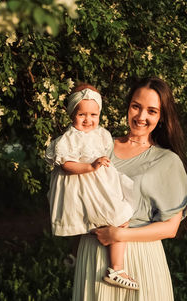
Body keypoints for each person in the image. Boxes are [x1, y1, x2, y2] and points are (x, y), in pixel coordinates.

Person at [72, 77, 187, 301]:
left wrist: (119, 233)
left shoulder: (167, 160)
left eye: (152, 111)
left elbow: (170, 228)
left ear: (161, 117)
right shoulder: (99, 146)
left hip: (140, 257)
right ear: (128, 106)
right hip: (93, 254)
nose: (141, 117)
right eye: (136, 106)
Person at [45, 83, 139, 290]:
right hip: (85, 185)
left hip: (100, 184)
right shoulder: (68, 139)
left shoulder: (101, 134)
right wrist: (90, 166)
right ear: (72, 115)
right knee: (120, 217)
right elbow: (66, 164)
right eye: (82, 115)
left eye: (93, 115)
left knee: (118, 215)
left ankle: (77, 255)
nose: (88, 120)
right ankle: (116, 268)